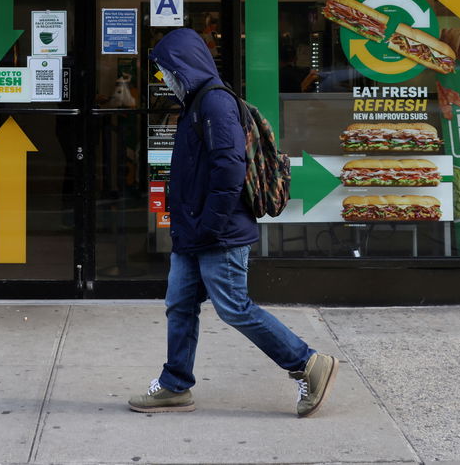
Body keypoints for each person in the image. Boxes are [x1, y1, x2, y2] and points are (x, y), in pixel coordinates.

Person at [128, 27, 339, 417]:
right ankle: (175, 385)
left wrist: (209, 226)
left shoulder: (215, 104)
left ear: (184, 66)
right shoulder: (197, 103)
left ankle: (307, 362)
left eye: (166, 71)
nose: (164, 80)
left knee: (234, 308)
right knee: (180, 305)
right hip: (195, 231)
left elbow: (229, 170)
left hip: (217, 233)